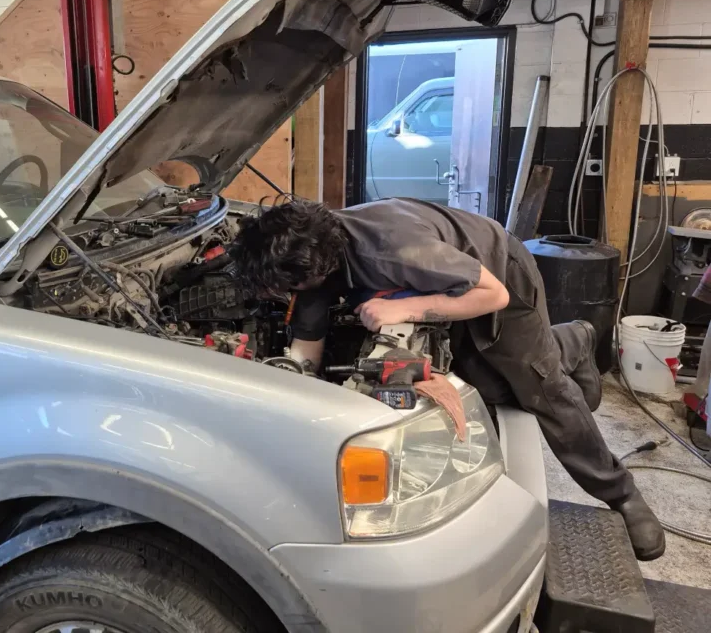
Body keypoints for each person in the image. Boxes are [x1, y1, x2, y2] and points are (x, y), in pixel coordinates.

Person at [231, 197, 665, 560]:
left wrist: (404, 310)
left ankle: (621, 494)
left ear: (316, 268)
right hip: (441, 281)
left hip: (495, 272)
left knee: (540, 388)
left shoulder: (392, 250)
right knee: (491, 386)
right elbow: (306, 352)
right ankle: (570, 341)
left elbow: (493, 294)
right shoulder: (307, 257)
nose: (288, 297)